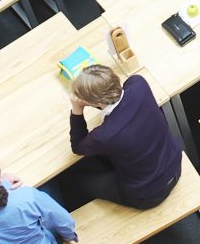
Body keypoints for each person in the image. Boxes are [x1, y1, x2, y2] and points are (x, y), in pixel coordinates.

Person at [51, 64, 181, 211]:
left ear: (97, 103)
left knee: (73, 177)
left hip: (149, 194)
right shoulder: (139, 84)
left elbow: (78, 146)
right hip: (174, 164)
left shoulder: (105, 135)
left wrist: (77, 109)